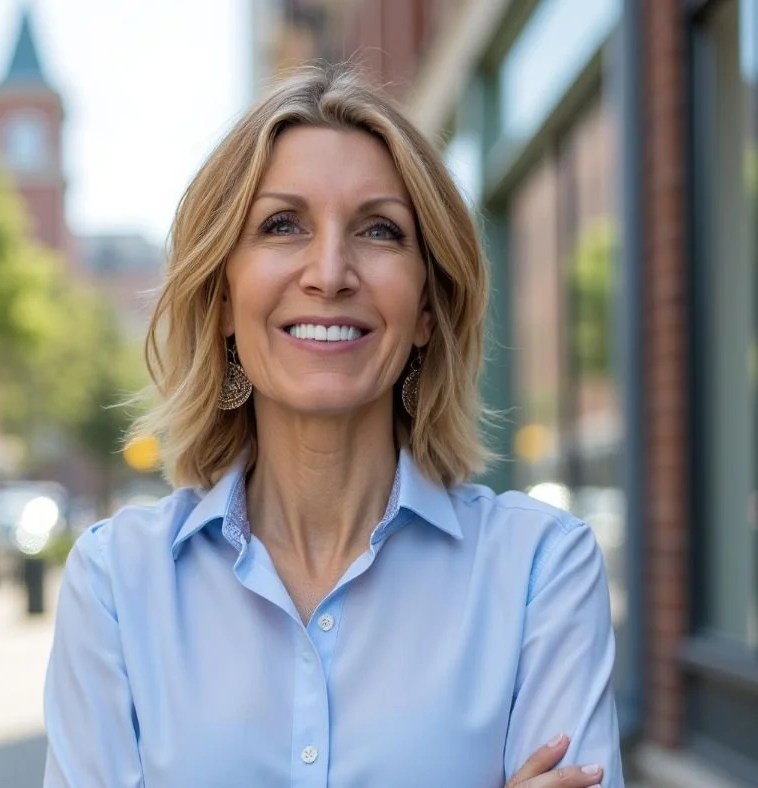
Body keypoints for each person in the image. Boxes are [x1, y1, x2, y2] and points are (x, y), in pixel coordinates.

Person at [43, 66, 624, 788]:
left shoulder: (542, 568)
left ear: (427, 309)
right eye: (282, 225)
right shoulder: (116, 584)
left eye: (379, 230)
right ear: (223, 298)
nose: (329, 271)